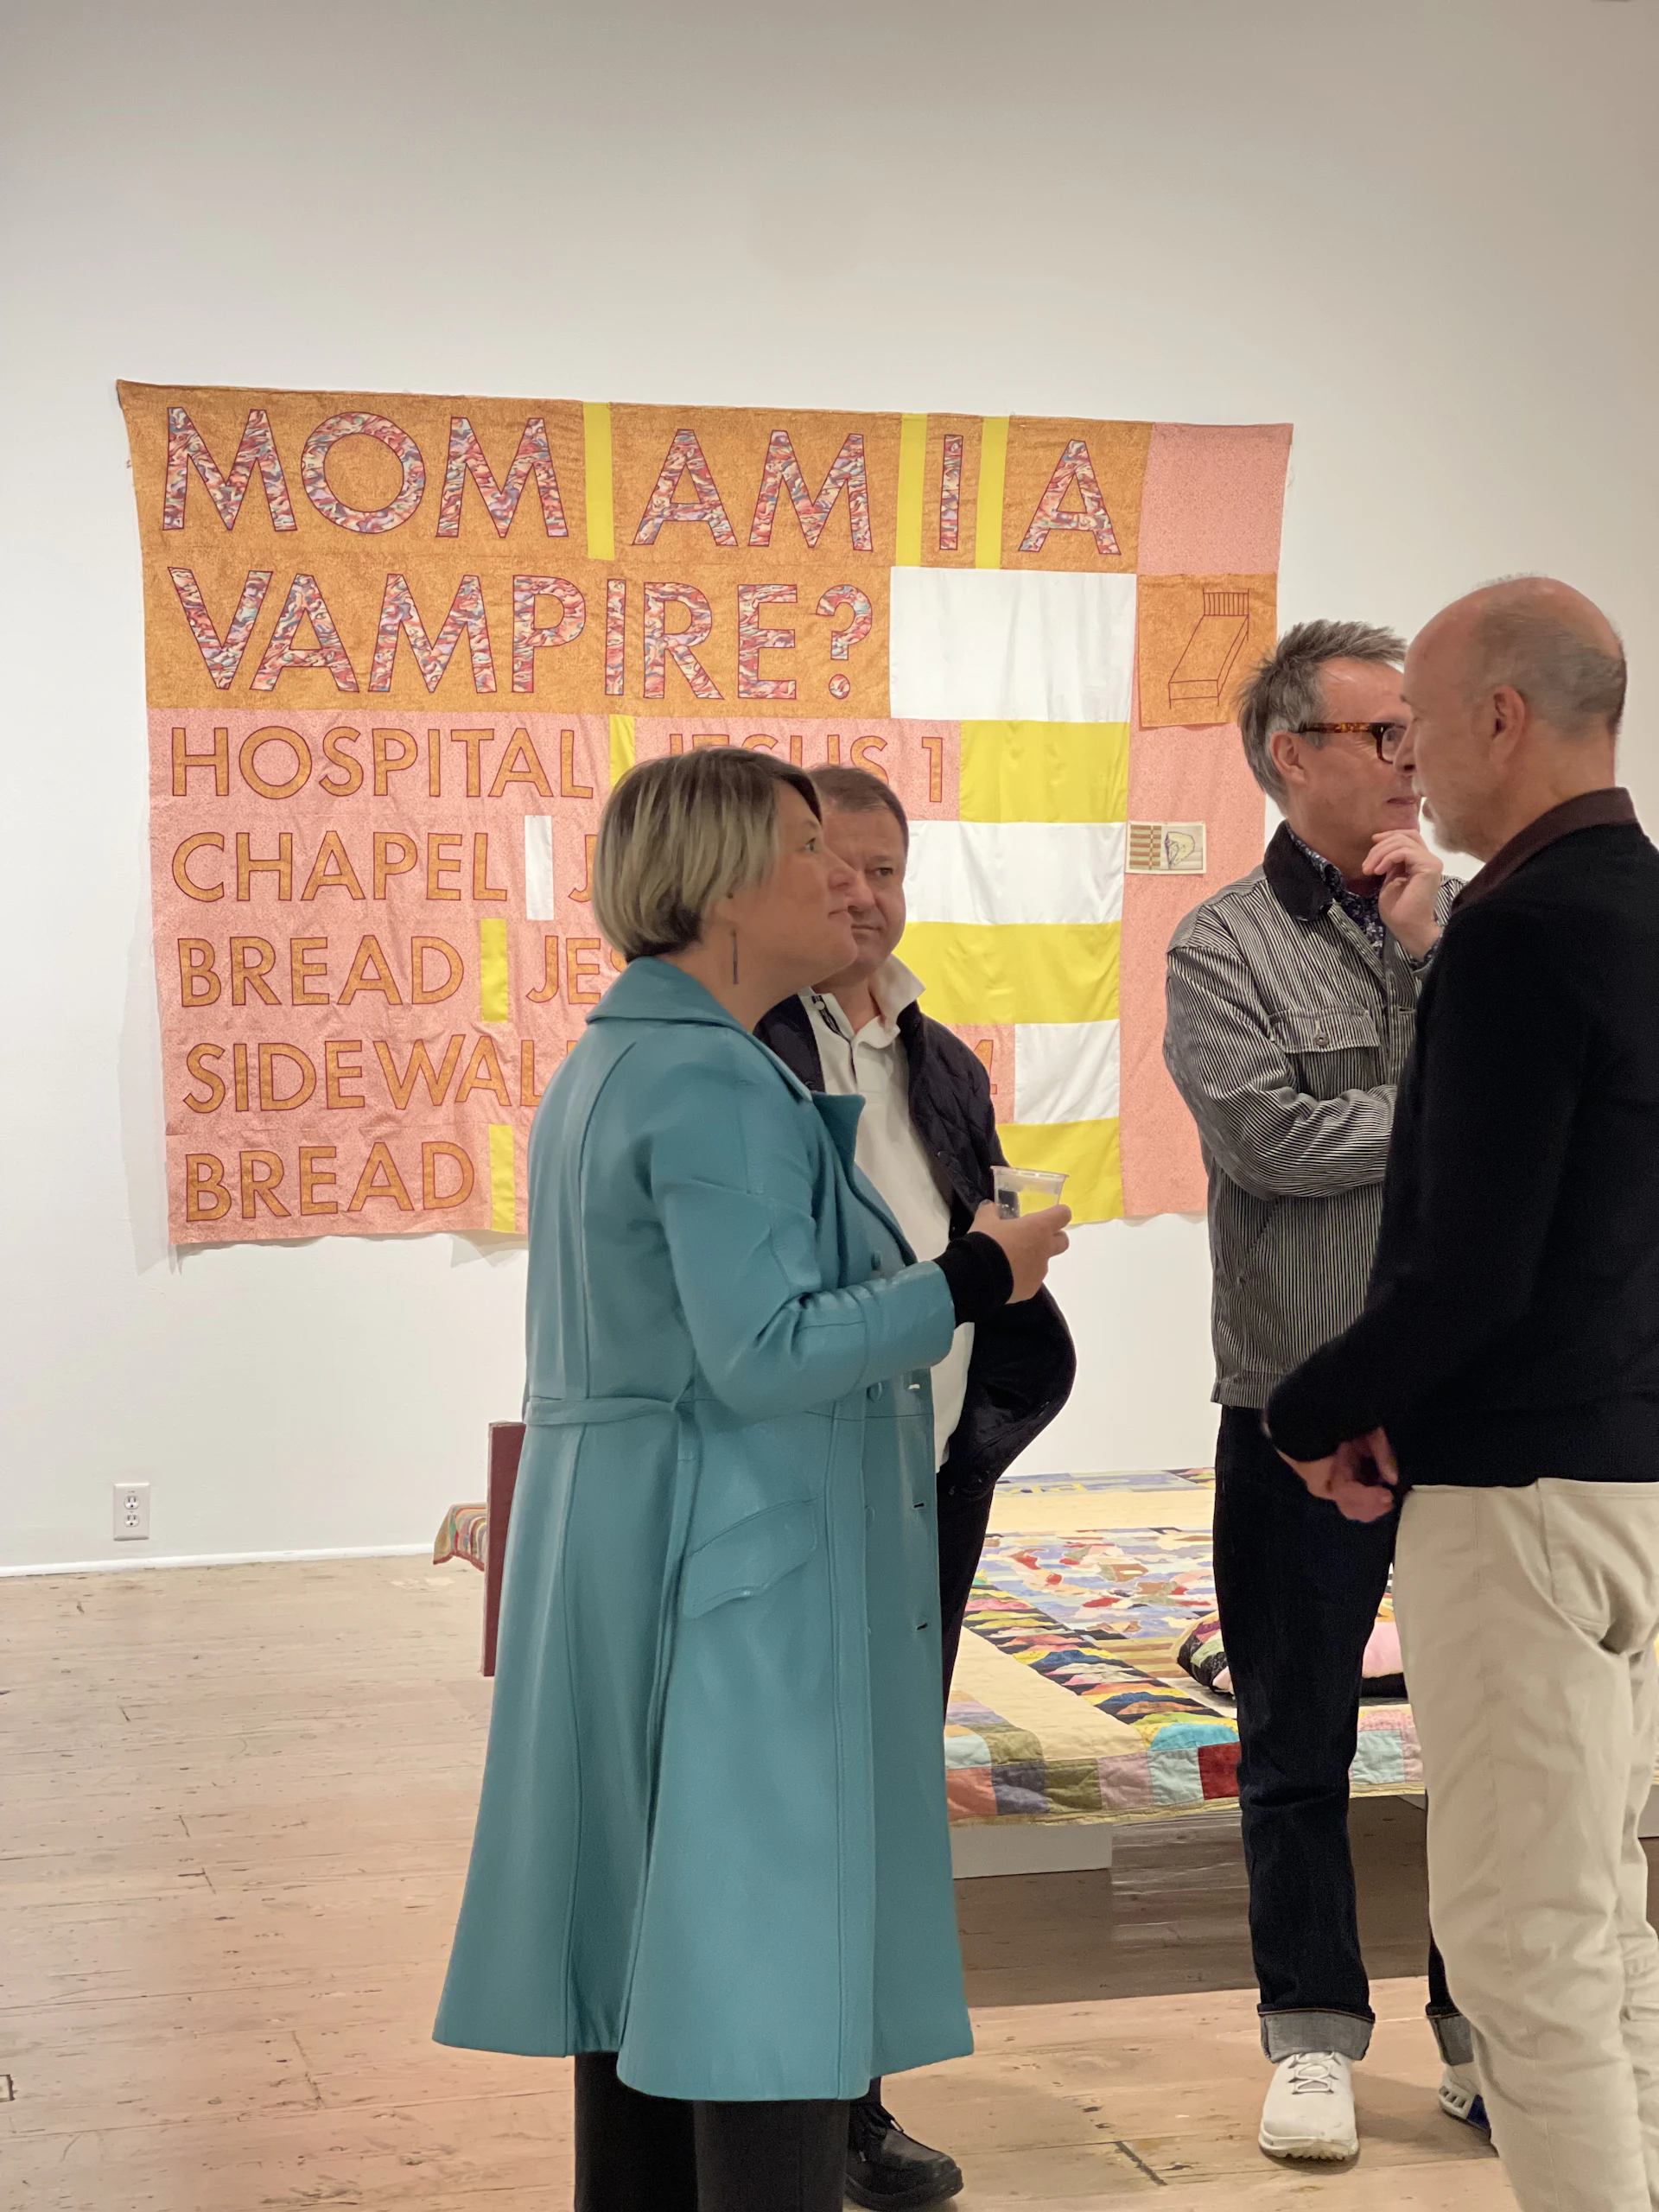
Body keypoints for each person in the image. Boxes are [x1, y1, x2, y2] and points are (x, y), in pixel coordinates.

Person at [433, 748, 1070, 2212]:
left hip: (645, 1542)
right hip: (742, 1564)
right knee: (761, 1959)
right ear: (722, 887)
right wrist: (976, 1276)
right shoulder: (714, 1080)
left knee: (649, 1980)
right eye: (807, 850)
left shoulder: (624, 1058)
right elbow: (766, 1350)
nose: (845, 880)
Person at [1267, 579, 1658, 2212]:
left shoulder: (1514, 929)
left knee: (1519, 1947)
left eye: (1418, 723)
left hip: (1519, 1499)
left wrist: (1311, 1408)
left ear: (1504, 714)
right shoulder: (1640, 904)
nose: (1410, 760)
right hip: (1633, 1476)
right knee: (1607, 1918)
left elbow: (1470, 1267)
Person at [1163, 620, 1475, 2162]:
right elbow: (1268, 1145)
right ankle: (1309, 2035)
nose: (1415, 758)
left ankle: (1484, 2029)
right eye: (1383, 734)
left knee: (1492, 1734)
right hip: (1296, 1400)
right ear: (1293, 756)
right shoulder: (1221, 946)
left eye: (1419, 730)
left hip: (1476, 1403)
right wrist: (1458, 1114)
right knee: (1298, 1740)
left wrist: (1435, 958)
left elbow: (1562, 1115)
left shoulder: (1473, 921)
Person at [757, 765, 1077, 2209]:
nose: (864, 896)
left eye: (886, 870)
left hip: (932, 1480)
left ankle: (855, 2108)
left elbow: (977, 1231)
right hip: (797, 1486)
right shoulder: (749, 1050)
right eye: (836, 867)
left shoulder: (941, 1062)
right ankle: (777, 2114)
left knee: (889, 1806)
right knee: (793, 1805)